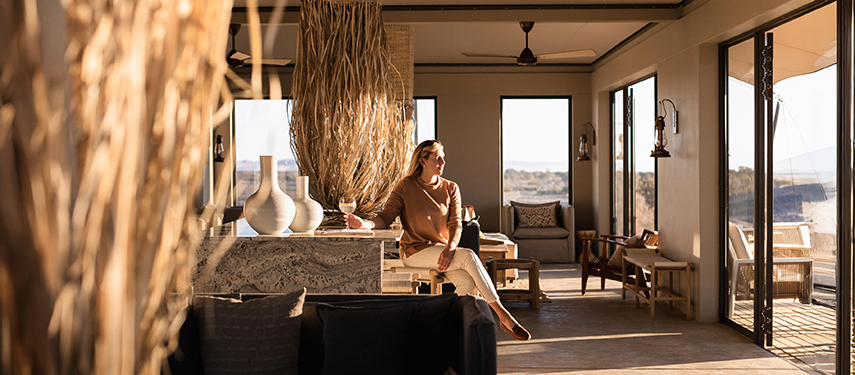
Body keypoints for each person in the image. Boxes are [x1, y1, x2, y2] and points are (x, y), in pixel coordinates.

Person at [345, 140, 531, 341]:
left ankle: (454, 334)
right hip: (414, 252)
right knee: (468, 255)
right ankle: (504, 315)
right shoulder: (405, 186)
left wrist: (450, 247)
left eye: (443, 157)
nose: (443, 162)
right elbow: (385, 217)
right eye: (437, 158)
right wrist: (365, 224)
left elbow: (455, 224)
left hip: (442, 251)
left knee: (466, 281)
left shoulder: (451, 188)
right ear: (422, 161)